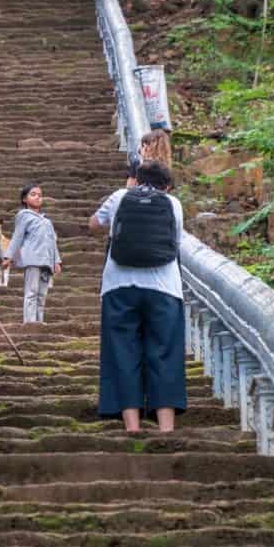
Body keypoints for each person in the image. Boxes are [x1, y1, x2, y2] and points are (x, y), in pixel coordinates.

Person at [89, 161, 186, 433]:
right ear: (167, 186)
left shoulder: (120, 197)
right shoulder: (173, 204)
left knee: (122, 353)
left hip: (118, 286)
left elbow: (93, 224)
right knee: (165, 354)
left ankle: (132, 427)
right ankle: (166, 429)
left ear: (136, 179)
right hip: (164, 288)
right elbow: (176, 243)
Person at [3, 183, 62, 324]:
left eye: (40, 195)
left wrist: (57, 261)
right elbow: (17, 236)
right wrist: (8, 257)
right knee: (31, 292)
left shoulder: (47, 221)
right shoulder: (23, 216)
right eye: (33, 194)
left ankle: (39, 322)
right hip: (32, 259)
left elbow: (53, 242)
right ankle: (29, 323)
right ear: (24, 199)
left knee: (42, 295)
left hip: (46, 261)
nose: (37, 197)